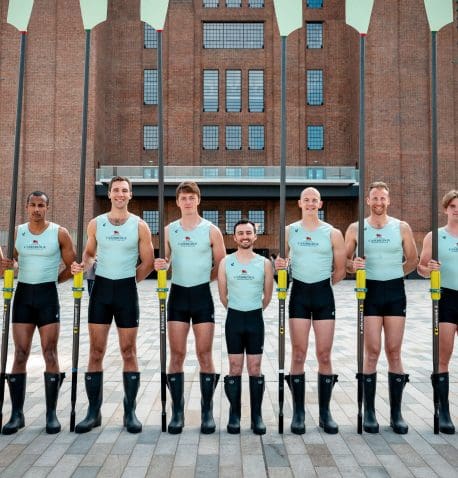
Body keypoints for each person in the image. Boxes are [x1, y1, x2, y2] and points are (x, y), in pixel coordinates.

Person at [71, 176, 154, 434]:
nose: (120, 194)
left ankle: (130, 413)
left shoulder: (140, 226)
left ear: (130, 195)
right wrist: (84, 264)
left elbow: (148, 262)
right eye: (115, 190)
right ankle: (93, 413)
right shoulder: (96, 223)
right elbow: (89, 253)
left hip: (126, 292)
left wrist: (129, 280)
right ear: (109, 194)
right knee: (96, 351)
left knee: (129, 351)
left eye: (124, 190)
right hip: (101, 291)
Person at [345, 181, 418, 434]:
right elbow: (345, 261)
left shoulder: (401, 227)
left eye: (382, 198)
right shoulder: (356, 228)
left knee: (394, 351)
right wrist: (353, 266)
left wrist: (394, 274)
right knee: (372, 351)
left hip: (395, 291)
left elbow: (413, 259)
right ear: (368, 201)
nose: (378, 202)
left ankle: (396, 414)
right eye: (374, 198)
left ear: (389, 200)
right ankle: (369, 413)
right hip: (370, 292)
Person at [0, 191, 75, 435]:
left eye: (41, 205)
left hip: (47, 297)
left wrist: (54, 280)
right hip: (23, 296)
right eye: (32, 205)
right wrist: (9, 265)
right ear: (26, 207)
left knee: (49, 353)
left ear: (47, 208)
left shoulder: (59, 232)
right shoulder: (18, 232)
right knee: (20, 353)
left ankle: (51, 415)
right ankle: (16, 414)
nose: (36, 209)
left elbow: (72, 266)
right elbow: (9, 264)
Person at [154, 181, 226, 434]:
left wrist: (204, 279)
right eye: (183, 198)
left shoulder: (211, 230)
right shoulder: (169, 230)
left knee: (205, 354)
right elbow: (163, 261)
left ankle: (207, 411)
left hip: (202, 296)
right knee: (176, 355)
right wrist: (162, 265)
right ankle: (177, 411)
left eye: (191, 197)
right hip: (178, 296)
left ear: (198, 200)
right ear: (177, 202)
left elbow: (222, 265)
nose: (187, 201)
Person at [275, 187, 346, 434]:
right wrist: (279, 266)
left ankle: (325, 413)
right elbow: (280, 265)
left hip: (324, 295)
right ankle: (299, 413)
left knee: (324, 355)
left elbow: (340, 270)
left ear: (320, 204)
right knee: (298, 354)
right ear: (299, 203)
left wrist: (323, 284)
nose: (310, 203)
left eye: (314, 200)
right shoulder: (289, 231)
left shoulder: (333, 233)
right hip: (299, 295)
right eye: (306, 200)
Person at [218, 219, 274, 435]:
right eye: (240, 233)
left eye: (248, 233)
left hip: (255, 320)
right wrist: (238, 308)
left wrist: (252, 309)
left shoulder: (264, 263)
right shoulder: (226, 262)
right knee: (234, 367)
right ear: (234, 237)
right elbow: (223, 296)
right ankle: (234, 415)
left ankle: (256, 416)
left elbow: (267, 297)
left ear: (255, 236)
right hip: (234, 319)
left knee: (255, 368)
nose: (245, 236)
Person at [418, 189, 457, 434]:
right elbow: (421, 268)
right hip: (446, 298)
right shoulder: (435, 236)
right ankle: (443, 411)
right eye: (453, 206)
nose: (457, 210)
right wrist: (429, 269)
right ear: (446, 209)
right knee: (443, 356)